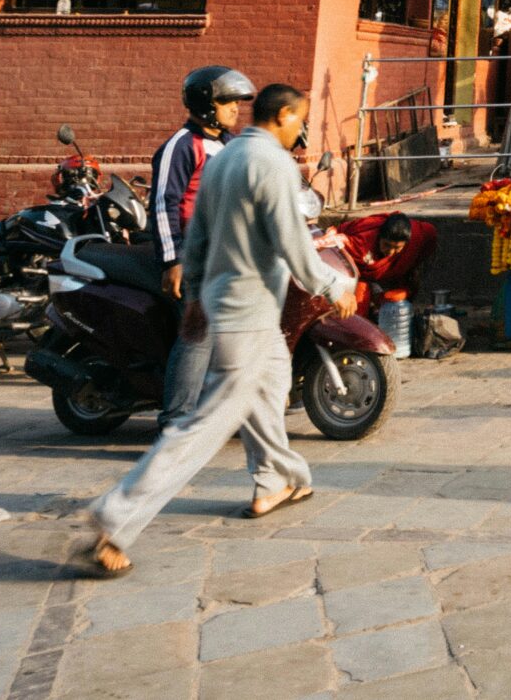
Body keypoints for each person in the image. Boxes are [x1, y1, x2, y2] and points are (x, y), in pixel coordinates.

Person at [83, 84, 354, 575]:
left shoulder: (226, 158)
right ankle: (117, 517)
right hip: (247, 312)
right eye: (300, 121)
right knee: (204, 425)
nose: (301, 131)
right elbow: (292, 242)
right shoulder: (271, 164)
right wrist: (333, 284)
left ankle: (278, 478)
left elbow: (200, 232)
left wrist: (198, 297)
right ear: (286, 115)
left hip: (236, 308)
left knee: (270, 390)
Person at [151, 65, 255, 423]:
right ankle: (175, 421)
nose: (235, 109)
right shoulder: (181, 147)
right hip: (195, 259)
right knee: (199, 333)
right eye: (228, 102)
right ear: (206, 103)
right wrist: (172, 260)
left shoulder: (228, 144)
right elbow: (164, 201)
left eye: (237, 103)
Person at [335, 212, 435, 319]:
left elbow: (431, 233)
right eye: (386, 245)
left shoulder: (418, 236)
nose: (391, 252)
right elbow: (340, 258)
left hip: (391, 274)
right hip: (355, 272)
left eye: (397, 248)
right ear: (379, 237)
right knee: (358, 304)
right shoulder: (360, 243)